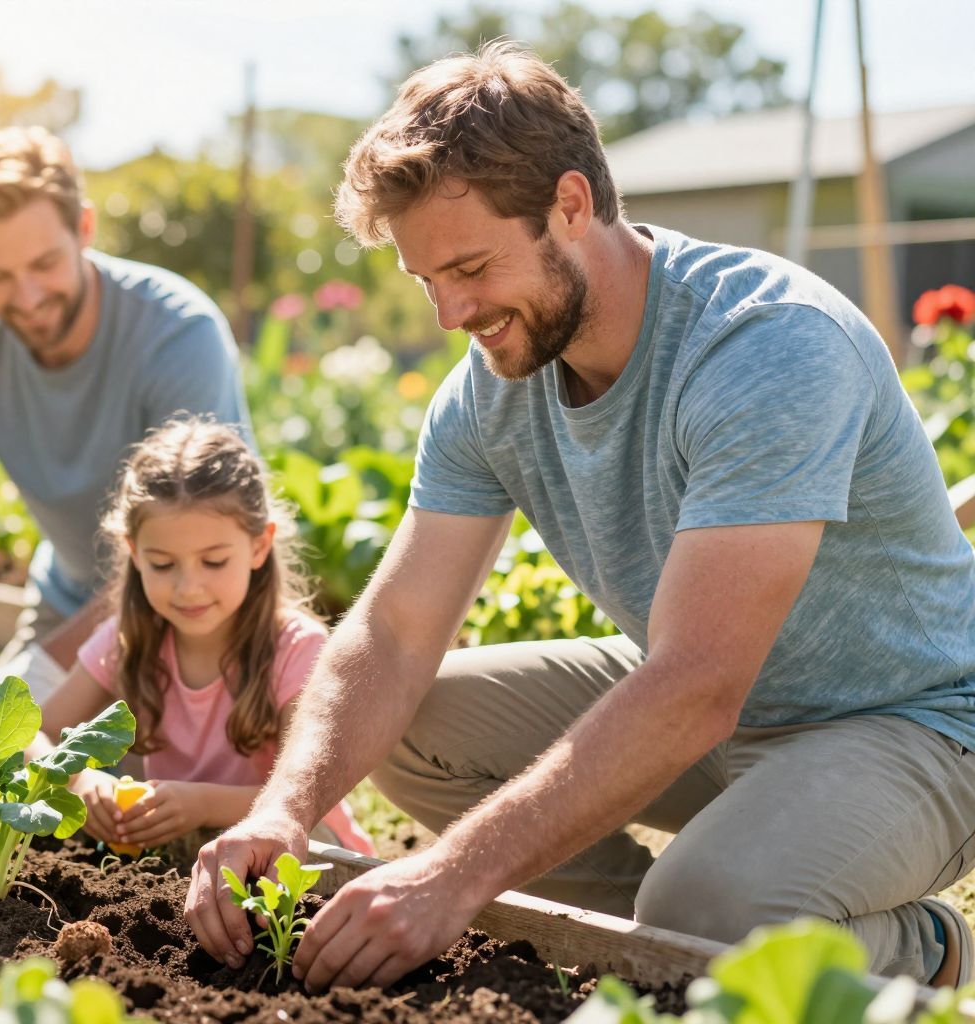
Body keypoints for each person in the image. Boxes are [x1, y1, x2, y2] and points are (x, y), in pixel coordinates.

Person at [186, 42, 975, 992]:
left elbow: (697, 681)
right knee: (409, 724)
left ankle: (927, 951)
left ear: (571, 204)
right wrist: (285, 809)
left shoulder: (765, 346)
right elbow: (394, 633)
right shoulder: (490, 389)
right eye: (426, 279)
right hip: (714, 705)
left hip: (909, 720)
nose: (450, 314)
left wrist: (450, 877)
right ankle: (628, 959)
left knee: (708, 915)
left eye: (471, 266)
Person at [0, 126, 251, 727]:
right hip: (71, 602)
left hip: (192, 609)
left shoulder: (178, 335)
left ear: (84, 228)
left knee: (111, 787)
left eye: (45, 264)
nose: (25, 296)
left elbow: (188, 544)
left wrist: (40, 680)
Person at [30, 418, 373, 855]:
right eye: (162, 564)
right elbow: (31, 734)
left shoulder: (296, 648)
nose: (188, 587)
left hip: (306, 856)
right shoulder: (130, 638)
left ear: (259, 546)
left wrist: (204, 804)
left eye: (213, 562)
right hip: (190, 855)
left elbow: (311, 794)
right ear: (134, 553)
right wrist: (78, 779)